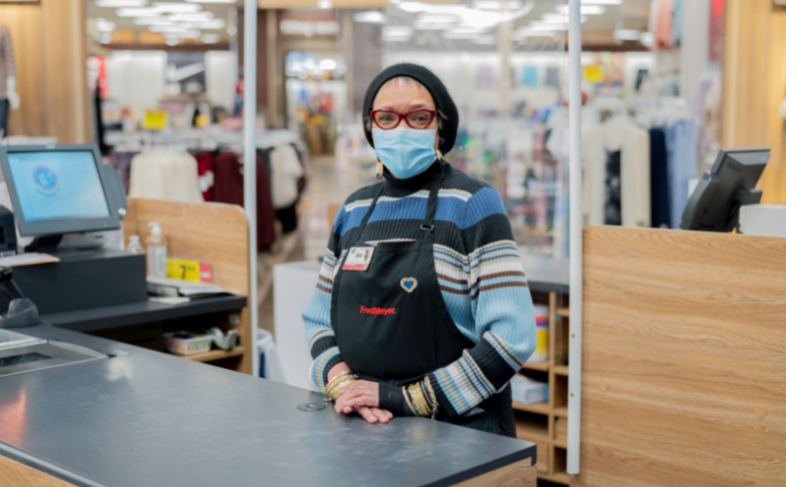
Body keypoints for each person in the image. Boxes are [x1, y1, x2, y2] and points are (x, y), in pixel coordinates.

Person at [302, 63, 536, 437]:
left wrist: (408, 398)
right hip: (361, 427)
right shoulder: (353, 210)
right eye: (387, 117)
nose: (401, 129)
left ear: (440, 127)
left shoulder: (473, 203)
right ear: (371, 127)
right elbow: (318, 320)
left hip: (460, 432)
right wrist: (343, 383)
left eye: (419, 117)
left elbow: (512, 337)